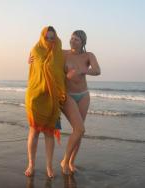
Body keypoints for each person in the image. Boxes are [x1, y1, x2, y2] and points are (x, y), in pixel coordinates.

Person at [25, 26, 66, 178]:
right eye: (47, 37)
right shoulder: (35, 50)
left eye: (52, 37)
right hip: (35, 97)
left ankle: (49, 166)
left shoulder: (59, 52)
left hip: (52, 100)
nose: (49, 40)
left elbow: (60, 70)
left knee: (49, 133)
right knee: (34, 131)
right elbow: (34, 72)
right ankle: (31, 164)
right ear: (42, 37)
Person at [60, 30, 101, 174]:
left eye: (76, 39)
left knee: (79, 132)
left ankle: (71, 162)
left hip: (83, 95)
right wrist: (31, 57)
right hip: (68, 95)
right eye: (71, 38)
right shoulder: (63, 53)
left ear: (83, 42)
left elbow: (97, 70)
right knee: (80, 129)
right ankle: (64, 161)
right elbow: (44, 49)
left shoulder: (88, 55)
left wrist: (81, 71)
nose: (72, 41)